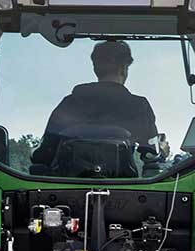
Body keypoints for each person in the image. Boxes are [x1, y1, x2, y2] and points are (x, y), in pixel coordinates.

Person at [30, 40, 159, 167]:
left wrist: (34, 152)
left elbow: (44, 155)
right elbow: (151, 154)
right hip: (123, 186)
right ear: (123, 69)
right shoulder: (139, 106)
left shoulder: (69, 104)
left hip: (69, 185)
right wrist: (161, 150)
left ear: (95, 68)